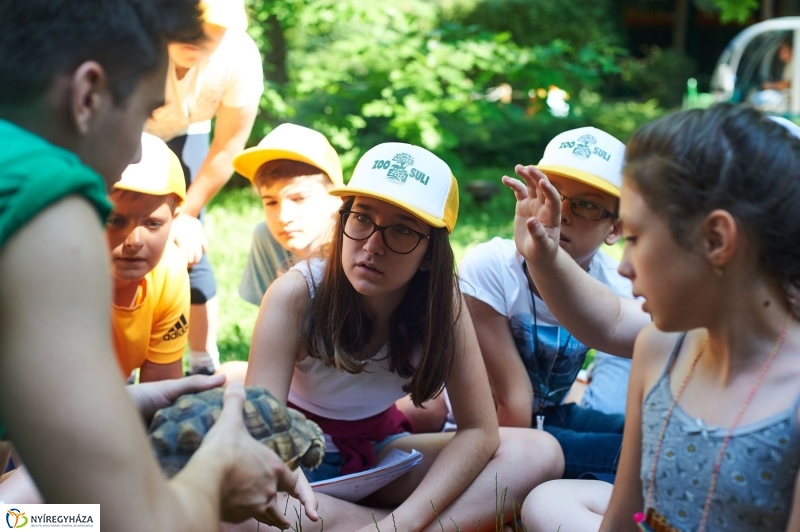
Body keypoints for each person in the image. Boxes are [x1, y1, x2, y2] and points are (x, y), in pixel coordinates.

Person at [0, 1, 313, 529]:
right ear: (88, 95)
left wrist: (131, 399)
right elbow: (140, 523)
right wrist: (219, 473)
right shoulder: (44, 202)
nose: (132, 157)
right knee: (45, 520)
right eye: (145, 113)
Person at [229, 143, 564, 532]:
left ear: (429, 253)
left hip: (383, 455)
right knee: (235, 512)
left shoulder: (441, 302)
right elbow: (262, 433)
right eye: (361, 217)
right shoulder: (296, 293)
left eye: (402, 229)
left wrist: (404, 524)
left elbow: (479, 430)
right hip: (297, 465)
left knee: (539, 452)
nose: (372, 244)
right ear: (343, 219)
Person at [521, 104, 800, 531]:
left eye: (634, 236)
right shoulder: (658, 350)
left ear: (716, 239)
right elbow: (622, 521)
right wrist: (542, 252)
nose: (624, 265)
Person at [459, 127, 633, 481]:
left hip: (554, 416)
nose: (559, 212)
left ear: (615, 228)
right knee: (629, 462)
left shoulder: (616, 284)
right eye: (549, 193)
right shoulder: (491, 266)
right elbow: (512, 401)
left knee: (652, 440)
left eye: (586, 204)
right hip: (485, 428)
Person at [145, 0, 265, 375]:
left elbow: (228, 147)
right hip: (122, 128)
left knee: (189, 246)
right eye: (186, 19)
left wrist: (186, 214)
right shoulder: (133, 40)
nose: (194, 34)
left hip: (187, 132)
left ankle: (203, 365)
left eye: (209, 25)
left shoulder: (240, 59)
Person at [107, 132, 191, 382]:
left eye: (153, 223)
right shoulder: (61, 273)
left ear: (173, 222)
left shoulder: (170, 273)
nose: (134, 241)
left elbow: (160, 388)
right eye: (116, 220)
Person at [234, 123, 344, 307]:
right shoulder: (267, 238)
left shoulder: (356, 246)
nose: (284, 217)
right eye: (270, 202)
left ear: (337, 199)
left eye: (299, 198)